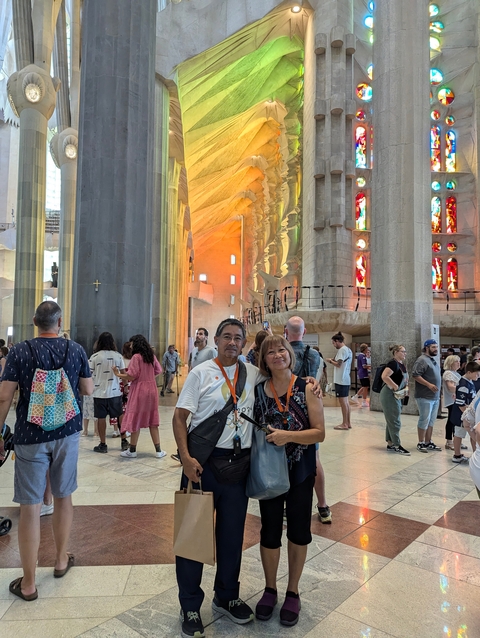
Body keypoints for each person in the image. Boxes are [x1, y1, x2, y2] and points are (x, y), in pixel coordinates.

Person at [0, 301, 92, 601]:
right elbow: (88, 390)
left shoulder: (19, 351)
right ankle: (62, 559)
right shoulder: (75, 350)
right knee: (64, 496)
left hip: (30, 435)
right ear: (59, 321)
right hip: (66, 433)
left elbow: (4, 396)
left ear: (34, 321)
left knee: (30, 507)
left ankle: (28, 582)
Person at [253, 336, 325, 627]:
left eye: (281, 350)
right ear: (264, 360)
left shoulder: (307, 387)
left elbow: (319, 433)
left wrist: (289, 436)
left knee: (298, 531)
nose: (277, 355)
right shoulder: (259, 390)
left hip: (300, 472)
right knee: (269, 531)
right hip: (269, 472)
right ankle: (270, 588)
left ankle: (292, 591)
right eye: (270, 352)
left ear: (289, 354)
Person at [284, 317, 331, 525]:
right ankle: (322, 505)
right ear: (304, 332)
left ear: (286, 331)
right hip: (311, 411)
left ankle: (287, 504)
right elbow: (317, 381)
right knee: (314, 459)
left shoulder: (282, 354)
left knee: (285, 460)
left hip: (287, 410)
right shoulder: (315, 355)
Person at [113, 335, 166, 459]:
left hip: (139, 391)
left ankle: (132, 450)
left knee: (135, 418)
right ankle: (158, 451)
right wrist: (148, 378)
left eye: (131, 343)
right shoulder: (151, 356)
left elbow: (131, 376)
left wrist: (118, 374)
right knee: (153, 420)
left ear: (136, 344)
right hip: (152, 390)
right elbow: (159, 370)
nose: (130, 346)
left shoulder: (136, 357)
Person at [89, 332, 126, 454]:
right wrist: (125, 387)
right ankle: (124, 441)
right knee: (120, 415)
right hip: (115, 391)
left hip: (99, 392)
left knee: (101, 418)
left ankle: (103, 444)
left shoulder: (94, 357)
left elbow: (88, 374)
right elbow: (123, 373)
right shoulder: (118, 356)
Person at [412, 339, 442, 453]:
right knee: (424, 419)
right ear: (426, 348)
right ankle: (421, 442)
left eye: (436, 347)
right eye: (433, 347)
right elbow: (415, 375)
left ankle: (428, 441)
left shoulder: (432, 360)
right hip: (424, 396)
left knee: (431, 421)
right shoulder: (422, 360)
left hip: (435, 396)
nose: (436, 349)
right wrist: (428, 384)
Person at [380, 345, 410, 455]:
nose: (405, 353)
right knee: (395, 420)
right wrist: (395, 386)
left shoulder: (401, 364)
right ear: (396, 352)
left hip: (398, 395)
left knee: (392, 419)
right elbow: (384, 376)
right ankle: (397, 445)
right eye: (403, 351)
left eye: (405, 351)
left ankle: (390, 443)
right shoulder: (393, 364)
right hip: (390, 395)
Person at [450, 361, 480, 463]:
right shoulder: (463, 384)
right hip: (460, 416)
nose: (478, 375)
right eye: (476, 373)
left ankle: (476, 454)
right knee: (459, 434)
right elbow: (460, 404)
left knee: (471, 433)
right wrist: (467, 416)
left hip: (466, 413)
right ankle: (457, 455)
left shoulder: (469, 381)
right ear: (469, 372)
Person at [326, 332, 353, 430]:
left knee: (343, 402)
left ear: (337, 341)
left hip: (341, 379)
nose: (333, 345)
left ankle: (344, 424)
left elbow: (338, 364)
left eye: (333, 343)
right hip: (345, 378)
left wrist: (329, 361)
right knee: (346, 402)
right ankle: (348, 423)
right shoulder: (348, 350)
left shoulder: (342, 350)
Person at [442, 354, 462, 450]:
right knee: (451, 420)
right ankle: (449, 441)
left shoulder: (456, 373)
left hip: (457, 400)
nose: (459, 363)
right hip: (452, 400)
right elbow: (450, 387)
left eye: (459, 361)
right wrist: (461, 390)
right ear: (450, 363)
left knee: (457, 421)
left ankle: (456, 440)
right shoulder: (448, 373)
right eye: (456, 361)